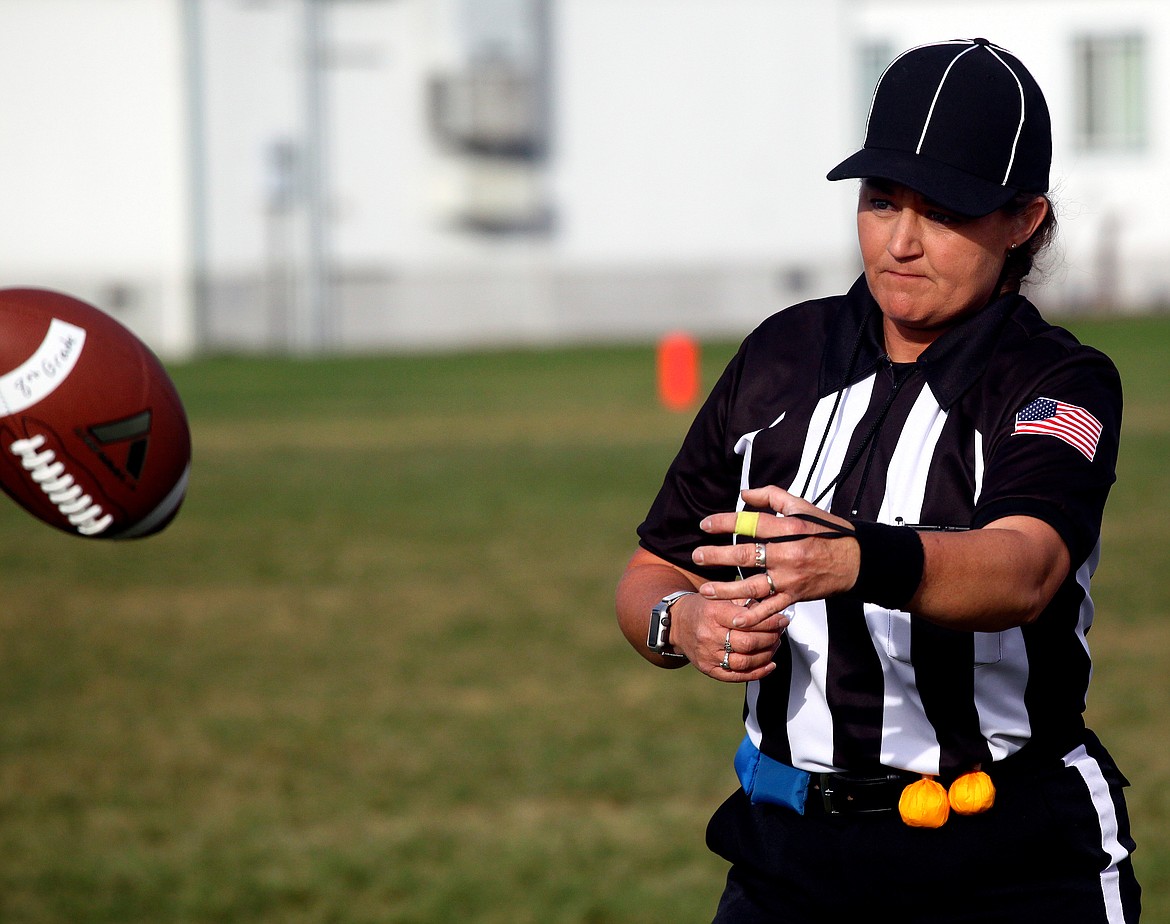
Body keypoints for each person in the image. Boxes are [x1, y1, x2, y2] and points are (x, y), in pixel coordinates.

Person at [615, 38, 1141, 923]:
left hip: (1005, 858)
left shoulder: (1054, 381)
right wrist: (685, 622)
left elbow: (1025, 571)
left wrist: (853, 558)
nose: (900, 241)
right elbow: (652, 570)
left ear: (1023, 220)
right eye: (881, 200)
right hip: (788, 861)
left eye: (943, 211)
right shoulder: (782, 355)